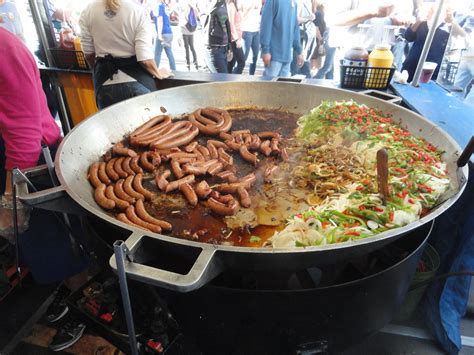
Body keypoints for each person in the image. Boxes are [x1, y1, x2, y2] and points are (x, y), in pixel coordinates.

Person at [0, 27, 88, 352]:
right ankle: (63, 296)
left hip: (31, 163)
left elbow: (23, 131)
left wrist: (13, 199)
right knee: (35, 249)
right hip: (9, 163)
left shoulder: (4, 48)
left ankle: (85, 308)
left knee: (59, 247)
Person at [79, 0, 172, 109]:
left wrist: (97, 70)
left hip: (104, 84)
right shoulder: (137, 11)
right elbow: (145, 59)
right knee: (150, 125)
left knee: (112, 126)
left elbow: (89, 54)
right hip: (137, 83)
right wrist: (158, 73)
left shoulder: (88, 11)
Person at [402, 3, 464, 82]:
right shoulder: (423, 15)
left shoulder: (452, 18)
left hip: (432, 68)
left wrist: (451, 21)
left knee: (425, 91)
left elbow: (461, 36)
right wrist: (418, 22)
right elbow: (408, 37)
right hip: (411, 64)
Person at [260, 0, 304, 78]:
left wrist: (299, 51)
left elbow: (295, 29)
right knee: (268, 88)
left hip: (287, 57)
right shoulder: (272, 1)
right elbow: (265, 25)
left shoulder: (294, 3)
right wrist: (265, 50)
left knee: (283, 89)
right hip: (274, 57)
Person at [202, 0, 232, 73]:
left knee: (222, 79)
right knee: (223, 81)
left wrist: (229, 46)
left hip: (223, 48)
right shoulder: (208, 4)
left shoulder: (223, 3)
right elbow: (207, 14)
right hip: (214, 49)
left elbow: (226, 25)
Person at [453, 14, 474, 106]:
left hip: (468, 53)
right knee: (457, 91)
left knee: (457, 90)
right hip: (468, 53)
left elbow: (466, 32)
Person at [291, 0, 316, 77]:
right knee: (296, 69)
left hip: (306, 40)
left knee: (303, 68)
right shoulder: (298, 2)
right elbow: (296, 20)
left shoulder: (307, 2)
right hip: (300, 38)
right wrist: (309, 18)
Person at [152, 0, 177, 71]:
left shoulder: (159, 6)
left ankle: (154, 71)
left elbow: (160, 20)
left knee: (157, 53)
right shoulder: (164, 6)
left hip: (163, 33)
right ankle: (174, 70)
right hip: (169, 32)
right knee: (169, 52)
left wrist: (159, 34)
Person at [238, 0, 261, 75]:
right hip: (246, 29)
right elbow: (239, 14)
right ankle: (236, 75)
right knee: (244, 57)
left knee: (255, 56)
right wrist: (249, 7)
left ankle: (252, 76)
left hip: (256, 30)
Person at [178, 0, 200, 71]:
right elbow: (197, 16)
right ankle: (195, 63)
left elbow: (184, 17)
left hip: (184, 29)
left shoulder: (185, 5)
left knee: (186, 48)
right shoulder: (193, 6)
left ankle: (188, 65)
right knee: (192, 47)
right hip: (191, 30)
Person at [227, 0, 246, 74]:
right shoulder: (231, 5)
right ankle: (232, 81)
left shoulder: (234, 4)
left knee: (231, 64)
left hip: (236, 38)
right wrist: (236, 39)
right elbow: (230, 23)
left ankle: (227, 80)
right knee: (241, 62)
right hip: (234, 39)